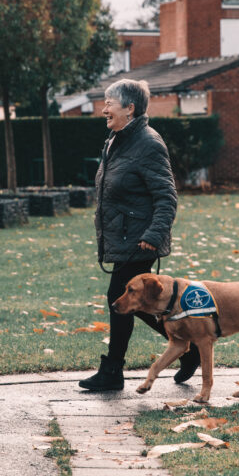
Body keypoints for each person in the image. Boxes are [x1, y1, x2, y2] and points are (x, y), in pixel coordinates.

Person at [79, 78, 200, 392]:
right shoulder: (115, 140)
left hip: (139, 240)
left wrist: (155, 233)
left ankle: (113, 372)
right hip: (121, 237)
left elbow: (166, 196)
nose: (104, 109)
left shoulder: (148, 142)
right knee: (139, 303)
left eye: (109, 103)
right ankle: (188, 348)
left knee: (119, 300)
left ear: (129, 108)